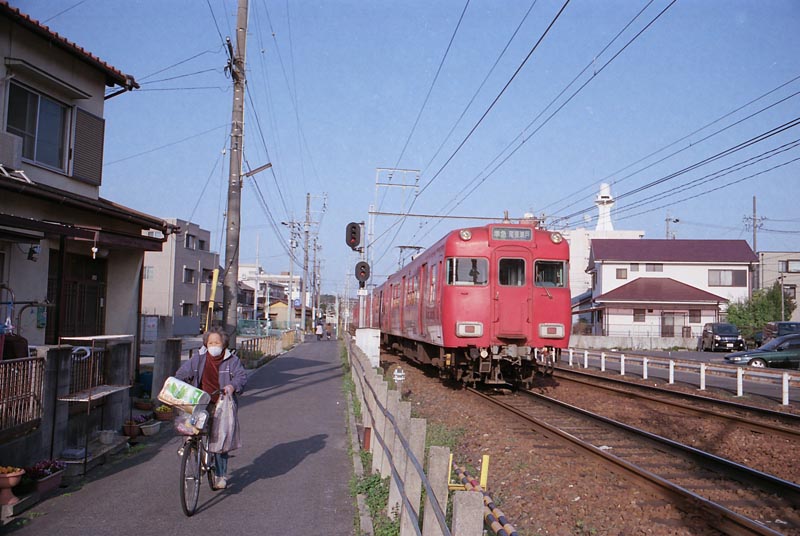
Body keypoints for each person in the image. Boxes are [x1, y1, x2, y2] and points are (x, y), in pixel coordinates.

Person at [175, 326, 247, 490]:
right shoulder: (198, 358)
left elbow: (241, 377)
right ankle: (193, 452)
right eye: (210, 342)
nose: (213, 345)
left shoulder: (232, 360)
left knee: (219, 439)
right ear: (206, 344)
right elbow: (182, 373)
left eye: (217, 342)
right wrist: (176, 383)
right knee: (190, 427)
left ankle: (220, 475)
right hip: (201, 401)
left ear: (223, 344)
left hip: (221, 403)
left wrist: (231, 386)